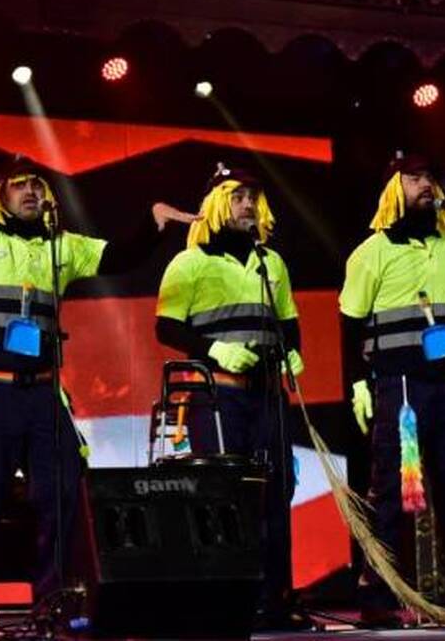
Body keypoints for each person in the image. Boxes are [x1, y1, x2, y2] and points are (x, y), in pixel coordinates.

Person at [0, 79, 197, 615]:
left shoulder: (63, 248)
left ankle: (56, 602)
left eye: (37, 184)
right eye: (19, 186)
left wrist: (152, 226)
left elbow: (119, 257)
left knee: (61, 496)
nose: (30, 192)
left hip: (42, 394)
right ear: (0, 197)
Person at [339, 152, 445, 625]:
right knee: (392, 488)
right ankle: (379, 591)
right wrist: (359, 384)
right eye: (414, 179)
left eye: (429, 178)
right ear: (393, 189)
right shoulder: (371, 252)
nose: (426, 185)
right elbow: (349, 322)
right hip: (398, 385)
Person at [154, 164, 305, 629]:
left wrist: (293, 353)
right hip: (217, 396)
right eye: (237, 197)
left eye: (251, 198)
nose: (246, 205)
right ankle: (228, 601)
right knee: (225, 496)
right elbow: (166, 327)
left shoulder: (270, 262)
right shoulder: (189, 263)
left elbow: (289, 322)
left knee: (277, 492)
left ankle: (276, 599)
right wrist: (216, 350)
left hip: (268, 395)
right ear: (217, 204)